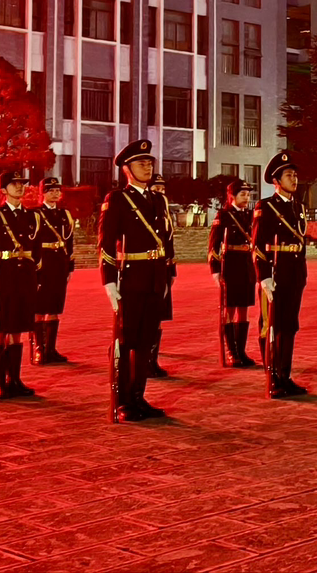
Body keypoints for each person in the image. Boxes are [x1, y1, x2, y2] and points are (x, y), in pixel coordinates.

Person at [99, 140, 175, 423]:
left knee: (145, 342)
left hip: (155, 277)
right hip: (130, 277)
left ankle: (138, 396)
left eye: (149, 162)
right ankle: (122, 402)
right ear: (127, 169)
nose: (147, 167)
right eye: (141, 163)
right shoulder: (117, 199)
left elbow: (166, 240)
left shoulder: (158, 199)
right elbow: (106, 242)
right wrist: (109, 281)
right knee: (126, 341)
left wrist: (167, 274)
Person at [252, 151, 309, 398]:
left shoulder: (299, 207)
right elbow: (257, 243)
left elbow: (301, 243)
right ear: (276, 181)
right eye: (288, 175)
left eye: (295, 175)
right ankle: (273, 377)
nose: (294, 179)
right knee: (272, 326)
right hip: (274, 274)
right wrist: (263, 276)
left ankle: (285, 376)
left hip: (294, 273)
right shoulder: (265, 207)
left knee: (289, 326)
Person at [0, 171, 42, 400]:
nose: (19, 187)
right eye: (14, 184)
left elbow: (37, 251)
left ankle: (14, 380)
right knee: (1, 331)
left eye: (22, 183)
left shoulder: (33, 216)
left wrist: (37, 278)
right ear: (3, 190)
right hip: (3, 277)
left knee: (18, 331)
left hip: (25, 277)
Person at [208, 179, 257, 368]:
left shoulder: (250, 215)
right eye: (242, 194)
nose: (247, 198)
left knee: (244, 309)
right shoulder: (224, 215)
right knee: (229, 309)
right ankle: (232, 352)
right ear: (232, 196)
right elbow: (213, 245)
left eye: (248, 194)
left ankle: (241, 352)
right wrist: (215, 271)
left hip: (247, 265)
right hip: (230, 266)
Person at [31, 177, 74, 364]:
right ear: (43, 193)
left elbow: (69, 241)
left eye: (57, 190)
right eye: (51, 191)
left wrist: (70, 266)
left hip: (59, 263)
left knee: (55, 306)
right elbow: (31, 241)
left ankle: (51, 349)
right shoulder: (35, 214)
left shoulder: (65, 214)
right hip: (42, 263)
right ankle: (39, 350)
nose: (55, 194)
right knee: (40, 307)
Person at [147, 173, 177, 377]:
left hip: (162, 267)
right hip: (146, 268)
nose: (160, 192)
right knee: (147, 316)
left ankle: (152, 359)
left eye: (162, 189)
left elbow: (169, 243)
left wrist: (172, 270)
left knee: (158, 314)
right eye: (156, 189)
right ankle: (144, 360)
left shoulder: (165, 215)